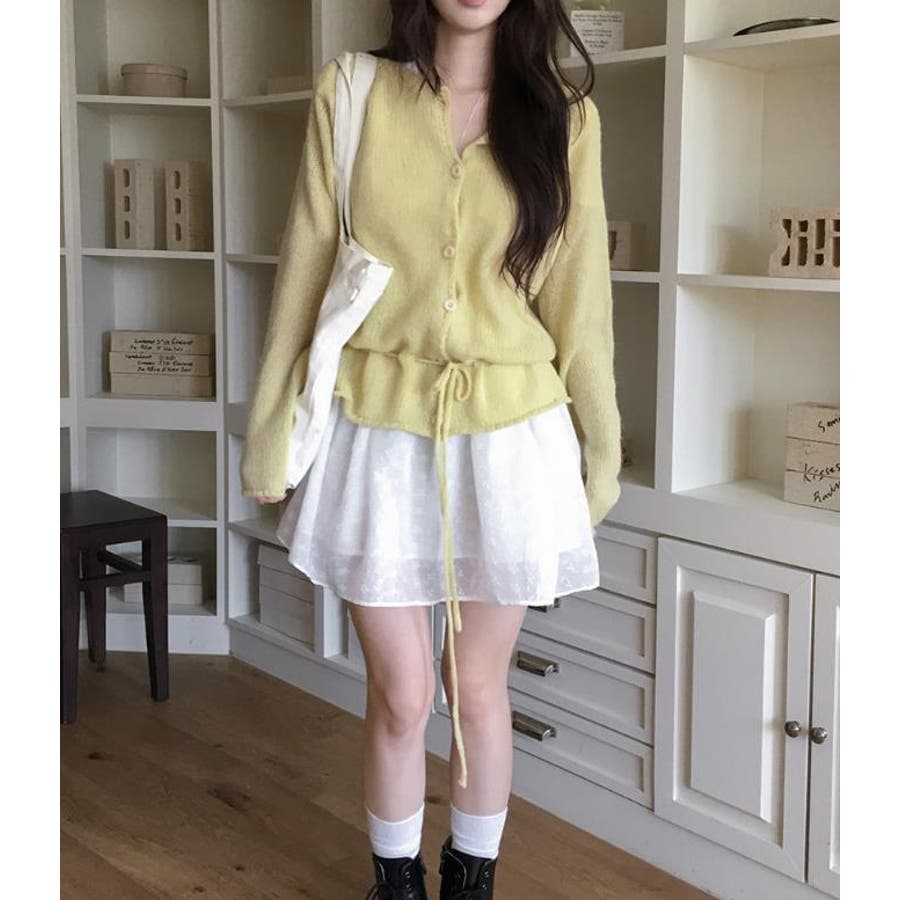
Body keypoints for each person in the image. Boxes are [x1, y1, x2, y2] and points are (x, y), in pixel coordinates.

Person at [239, 1, 622, 897]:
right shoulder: (352, 92)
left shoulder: (565, 119)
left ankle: (470, 881)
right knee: (404, 693)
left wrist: (600, 450)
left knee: (477, 689)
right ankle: (396, 883)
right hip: (377, 432)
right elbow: (306, 263)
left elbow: (581, 300)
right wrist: (269, 433)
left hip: (513, 437)